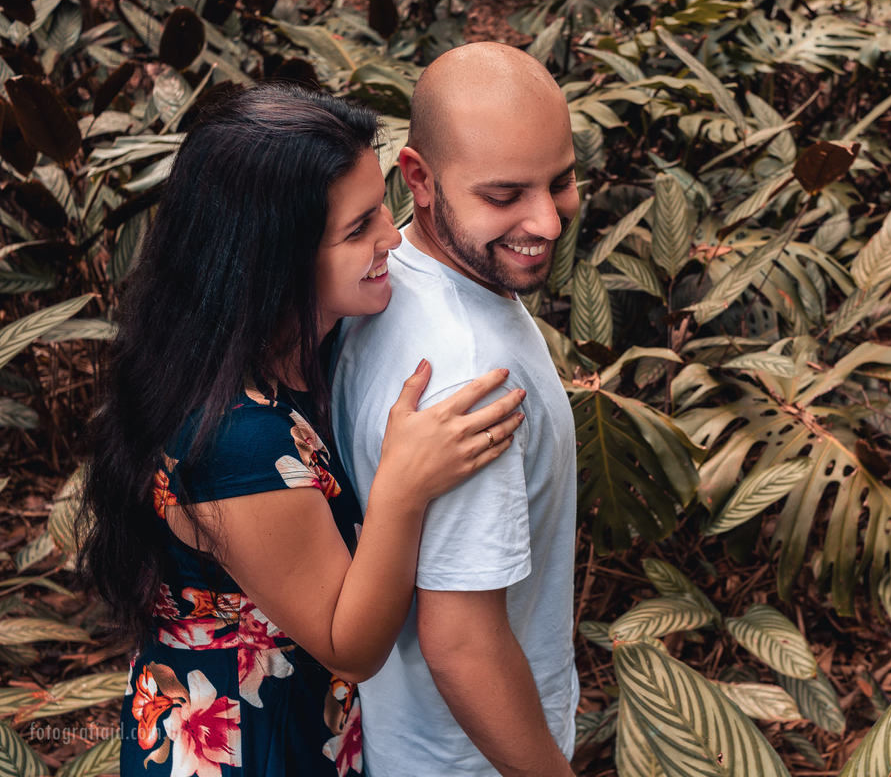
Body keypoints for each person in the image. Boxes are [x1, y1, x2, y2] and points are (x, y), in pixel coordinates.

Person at [79, 84, 527, 777]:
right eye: (357, 231)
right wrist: (403, 489)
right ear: (272, 264)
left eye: (383, 207)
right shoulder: (235, 441)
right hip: (246, 748)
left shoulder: (294, 345)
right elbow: (348, 645)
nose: (390, 239)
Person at [332, 43, 580, 777]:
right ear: (419, 178)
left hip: (398, 739)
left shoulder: (383, 277)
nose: (548, 222)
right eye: (504, 196)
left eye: (561, 181)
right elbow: (463, 646)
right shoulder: (470, 375)